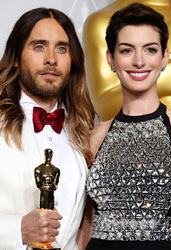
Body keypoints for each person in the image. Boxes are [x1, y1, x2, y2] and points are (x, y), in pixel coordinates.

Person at [83, 3, 171, 250]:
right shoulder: (93, 138)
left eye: (150, 50)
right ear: (110, 59)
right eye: (126, 50)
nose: (139, 61)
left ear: (164, 57)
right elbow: (82, 229)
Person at [0, 7, 95, 250]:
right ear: (15, 58)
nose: (51, 59)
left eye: (61, 48)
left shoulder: (85, 130)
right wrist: (17, 230)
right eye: (39, 46)